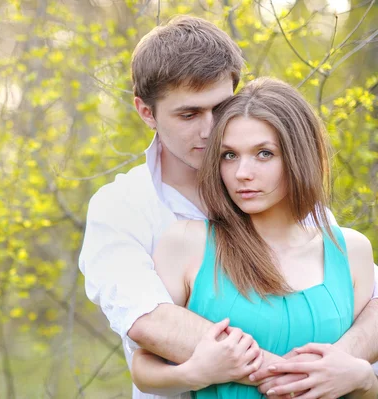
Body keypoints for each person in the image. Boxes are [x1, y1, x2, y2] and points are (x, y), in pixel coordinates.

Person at [78, 15, 378, 399]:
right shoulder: (121, 208)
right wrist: (293, 378)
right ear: (146, 112)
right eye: (188, 114)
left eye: (219, 108)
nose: (208, 129)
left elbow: (365, 299)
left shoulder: (277, 191)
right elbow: (146, 319)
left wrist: (344, 370)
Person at [129, 77, 378, 398]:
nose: (242, 172)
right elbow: (143, 367)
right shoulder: (187, 244)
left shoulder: (349, 250)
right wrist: (194, 373)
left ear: (299, 156)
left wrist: (364, 379)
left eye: (264, 153)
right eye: (229, 155)